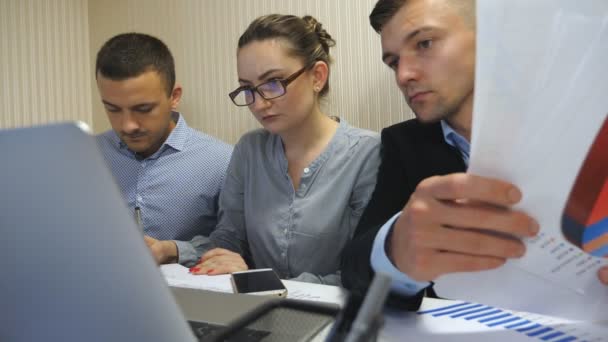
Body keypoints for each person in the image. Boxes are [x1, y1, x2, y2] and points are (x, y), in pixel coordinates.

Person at [340, 0, 608, 309]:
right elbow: (354, 266)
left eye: (424, 43)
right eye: (393, 62)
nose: (403, 75)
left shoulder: (584, 120)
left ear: (493, 37)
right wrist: (396, 248)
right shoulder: (406, 143)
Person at [189, 14, 381, 286]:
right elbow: (228, 238)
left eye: (272, 83)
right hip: (259, 310)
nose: (258, 103)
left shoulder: (367, 154)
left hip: (335, 317)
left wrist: (265, 283)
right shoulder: (249, 150)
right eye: (247, 88)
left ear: (317, 76)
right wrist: (216, 257)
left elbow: (366, 271)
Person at [95, 33, 232, 267]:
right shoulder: (85, 157)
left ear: (174, 97)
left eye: (143, 108)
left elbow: (237, 246)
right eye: (113, 109)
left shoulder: (223, 162)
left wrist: (175, 250)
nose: (128, 125)